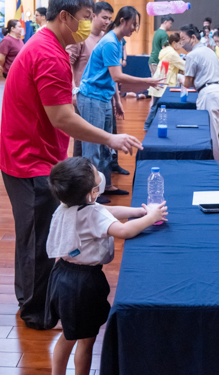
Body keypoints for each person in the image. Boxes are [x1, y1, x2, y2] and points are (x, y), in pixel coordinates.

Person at [0, 0, 143, 330]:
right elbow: (60, 117)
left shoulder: (48, 46)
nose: (91, 24)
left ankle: (29, 299)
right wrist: (110, 137)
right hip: (29, 160)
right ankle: (36, 312)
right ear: (64, 16)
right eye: (87, 18)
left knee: (32, 236)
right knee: (38, 240)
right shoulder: (49, 53)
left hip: (27, 154)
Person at [45, 157, 168, 375]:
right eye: (96, 174)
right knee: (86, 339)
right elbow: (123, 231)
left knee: (68, 333)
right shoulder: (92, 212)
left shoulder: (66, 206)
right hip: (83, 284)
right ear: (92, 192)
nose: (99, 174)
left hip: (61, 276)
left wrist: (139, 212)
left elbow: (107, 213)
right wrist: (151, 218)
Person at [77, 6, 163, 199]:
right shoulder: (109, 42)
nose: (135, 28)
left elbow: (110, 77)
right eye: (134, 24)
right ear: (123, 21)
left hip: (103, 97)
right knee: (93, 148)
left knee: (107, 146)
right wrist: (147, 81)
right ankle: (90, 195)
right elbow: (117, 76)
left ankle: (105, 186)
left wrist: (117, 101)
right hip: (92, 97)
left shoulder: (117, 40)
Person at [66, 1, 128, 180]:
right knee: (85, 143)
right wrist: (73, 91)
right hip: (85, 95)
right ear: (93, 16)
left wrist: (117, 99)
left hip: (104, 95)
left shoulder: (107, 38)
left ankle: (104, 182)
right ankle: (80, 185)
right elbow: (67, 63)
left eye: (110, 18)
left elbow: (112, 73)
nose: (108, 21)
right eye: (104, 17)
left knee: (107, 140)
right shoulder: (80, 38)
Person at [180, 24, 219, 179]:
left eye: (183, 39)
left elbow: (187, 83)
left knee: (210, 136)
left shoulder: (193, 55)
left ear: (193, 37)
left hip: (210, 94)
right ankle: (213, 168)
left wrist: (178, 77)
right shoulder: (209, 50)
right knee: (212, 134)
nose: (182, 44)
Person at [144, 32, 185, 130]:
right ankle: (148, 125)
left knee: (156, 105)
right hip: (164, 82)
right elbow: (184, 65)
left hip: (160, 80)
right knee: (158, 106)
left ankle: (149, 125)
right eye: (180, 43)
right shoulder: (172, 54)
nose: (181, 46)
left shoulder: (166, 50)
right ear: (174, 43)